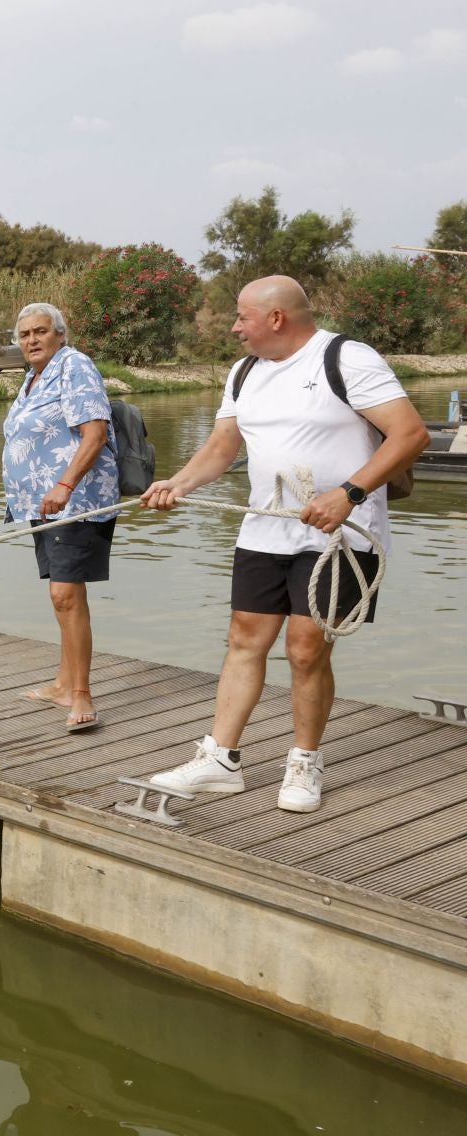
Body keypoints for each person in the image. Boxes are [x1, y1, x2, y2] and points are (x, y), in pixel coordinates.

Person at [140, 276, 428, 812]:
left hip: (341, 534)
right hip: (265, 527)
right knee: (244, 637)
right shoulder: (244, 371)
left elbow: (411, 434)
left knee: (306, 646)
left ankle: (304, 761)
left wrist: (349, 494)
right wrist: (177, 484)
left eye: (242, 316)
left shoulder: (347, 358)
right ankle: (220, 759)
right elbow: (222, 446)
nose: (234, 327)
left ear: (276, 318)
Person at [2, 302, 119, 731]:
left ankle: (82, 693)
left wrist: (65, 485)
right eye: (25, 334)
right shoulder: (34, 377)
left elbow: (95, 433)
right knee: (62, 595)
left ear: (60, 334)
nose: (32, 340)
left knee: (66, 595)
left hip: (77, 501)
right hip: (43, 504)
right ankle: (63, 684)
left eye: (41, 331)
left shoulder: (75, 366)